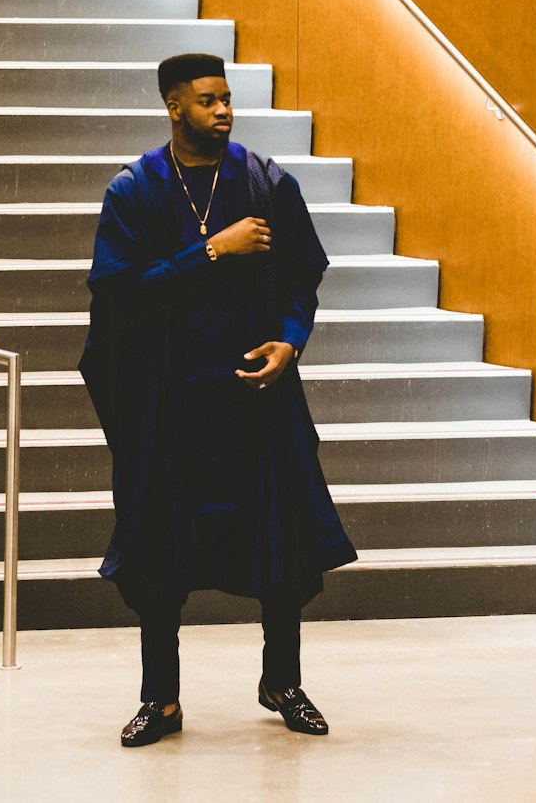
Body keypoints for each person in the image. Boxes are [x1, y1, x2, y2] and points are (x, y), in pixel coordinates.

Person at [79, 53, 357, 748]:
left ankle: (282, 681)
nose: (223, 111)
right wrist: (213, 251)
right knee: (159, 554)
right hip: (169, 404)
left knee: (283, 545)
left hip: (253, 398)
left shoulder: (267, 183)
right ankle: (161, 700)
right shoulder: (135, 191)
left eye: (227, 99)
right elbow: (119, 292)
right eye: (207, 101)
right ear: (175, 107)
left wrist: (291, 341)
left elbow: (303, 276)